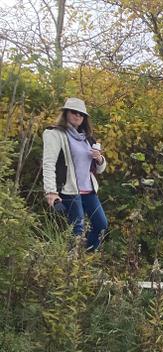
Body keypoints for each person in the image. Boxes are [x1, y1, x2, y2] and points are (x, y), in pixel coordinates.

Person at [42, 97, 109, 250]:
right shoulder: (55, 133)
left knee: (101, 224)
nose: (78, 115)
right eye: (74, 112)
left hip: (89, 190)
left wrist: (99, 159)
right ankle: (71, 265)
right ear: (66, 113)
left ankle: (87, 257)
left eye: (81, 113)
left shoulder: (87, 138)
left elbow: (99, 168)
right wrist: (51, 192)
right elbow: (48, 163)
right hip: (70, 189)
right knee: (76, 230)